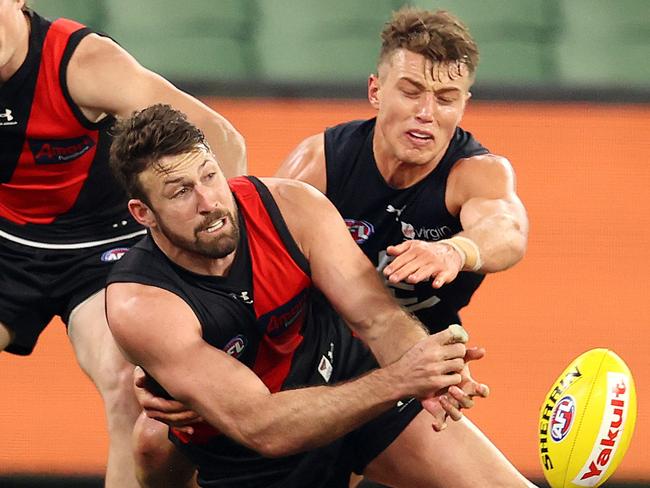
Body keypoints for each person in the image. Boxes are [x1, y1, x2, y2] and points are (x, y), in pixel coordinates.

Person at [105, 103, 535, 488]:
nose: (209, 202)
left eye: (210, 176)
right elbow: (262, 426)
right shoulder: (140, 302)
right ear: (143, 214)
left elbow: (377, 316)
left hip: (347, 374)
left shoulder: (291, 205)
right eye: (181, 191)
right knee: (150, 444)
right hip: (251, 451)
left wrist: (425, 368)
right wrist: (402, 377)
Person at [274, 7, 530, 488]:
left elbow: (507, 228)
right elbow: (251, 263)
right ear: (376, 90)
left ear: (463, 105)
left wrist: (456, 251)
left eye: (446, 98)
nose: (426, 113)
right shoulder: (321, 162)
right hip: (308, 368)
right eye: (411, 92)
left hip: (415, 379)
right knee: (152, 439)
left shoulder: (473, 172)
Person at [0, 1, 245, 487]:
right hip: (8, 244)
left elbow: (221, 139)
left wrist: (226, 255)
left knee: (127, 384)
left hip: (103, 250)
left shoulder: (83, 63)